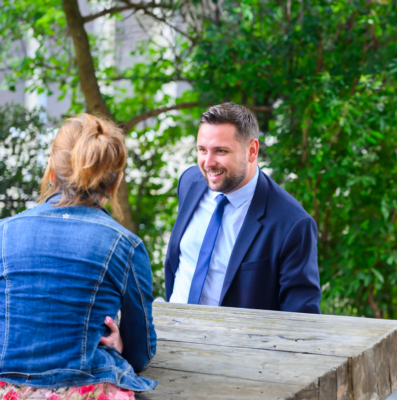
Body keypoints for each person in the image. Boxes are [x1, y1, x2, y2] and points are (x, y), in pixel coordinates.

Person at [0, 114, 157, 399]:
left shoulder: (4, 232)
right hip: (85, 389)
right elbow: (141, 351)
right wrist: (119, 344)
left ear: (51, 171)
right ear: (116, 181)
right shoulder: (125, 245)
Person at [165, 103, 321, 313]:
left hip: (231, 343)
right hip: (170, 332)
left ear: (252, 151)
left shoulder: (292, 224)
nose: (208, 163)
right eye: (202, 150)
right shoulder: (190, 182)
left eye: (221, 151)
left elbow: (302, 317)